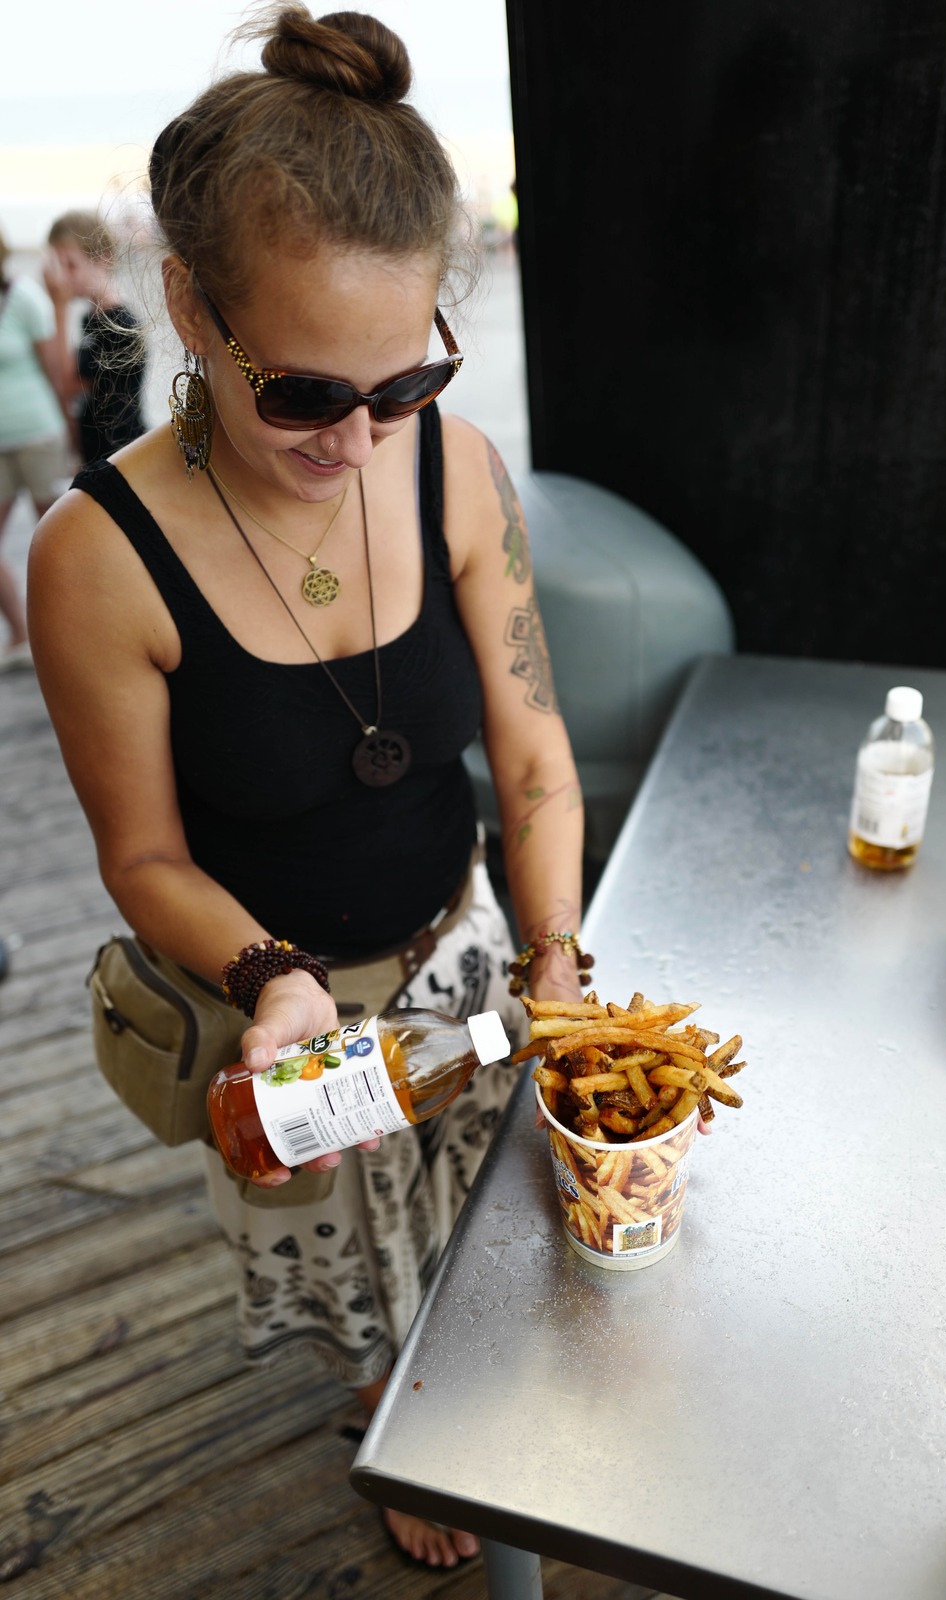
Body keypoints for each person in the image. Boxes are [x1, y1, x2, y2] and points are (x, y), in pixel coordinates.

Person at [27, 6, 587, 1572]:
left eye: (398, 386)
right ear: (190, 306)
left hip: (464, 937)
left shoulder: (457, 468)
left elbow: (530, 747)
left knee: (498, 1217)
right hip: (286, 998)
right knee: (366, 1268)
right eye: (301, 397)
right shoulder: (96, 560)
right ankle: (390, 1409)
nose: (354, 437)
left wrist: (550, 959)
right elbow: (140, 854)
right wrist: (273, 982)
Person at [0, 227, 67, 667]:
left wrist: (73, 435)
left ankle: (78, 632)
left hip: (39, 436)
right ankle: (21, 635)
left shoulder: (24, 297)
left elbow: (58, 371)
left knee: (66, 538)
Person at [43, 209, 146, 465]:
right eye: (59, 266)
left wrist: (59, 307)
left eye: (71, 265)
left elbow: (66, 385)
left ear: (104, 259)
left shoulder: (122, 325)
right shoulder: (90, 318)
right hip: (95, 452)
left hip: (121, 455)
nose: (63, 278)